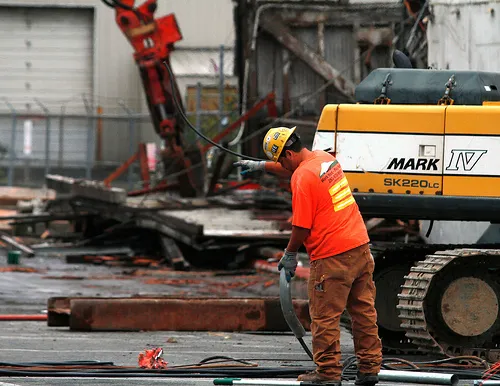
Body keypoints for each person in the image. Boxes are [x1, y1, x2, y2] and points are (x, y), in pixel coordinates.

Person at [234, 127, 382, 386]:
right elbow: (296, 167)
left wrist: (290, 253)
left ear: (288, 153)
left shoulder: (301, 179)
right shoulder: (324, 159)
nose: (281, 164)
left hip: (332, 256)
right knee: (363, 311)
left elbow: (301, 226)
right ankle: (369, 368)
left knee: (325, 316)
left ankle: (327, 374)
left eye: (281, 160)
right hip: (360, 246)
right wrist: (262, 166)